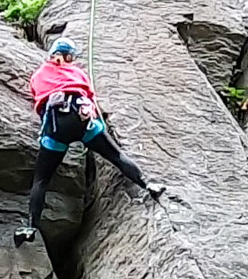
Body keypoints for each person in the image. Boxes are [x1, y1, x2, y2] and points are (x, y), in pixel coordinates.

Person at [17, 39, 165, 245]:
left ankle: (31, 227)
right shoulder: (77, 73)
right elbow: (89, 96)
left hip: (56, 130)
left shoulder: (38, 76)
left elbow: (38, 100)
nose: (71, 61)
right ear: (65, 56)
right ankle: (148, 185)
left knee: (41, 179)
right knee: (116, 155)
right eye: (70, 57)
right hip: (84, 123)